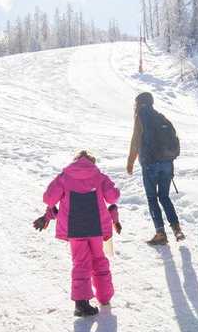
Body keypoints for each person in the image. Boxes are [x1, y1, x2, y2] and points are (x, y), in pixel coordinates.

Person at [35, 151, 122, 316]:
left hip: (75, 228)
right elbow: (113, 197)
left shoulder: (64, 176)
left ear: (75, 161)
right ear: (92, 161)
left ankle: (81, 304)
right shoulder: (99, 176)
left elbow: (49, 199)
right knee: (99, 259)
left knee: (81, 262)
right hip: (95, 227)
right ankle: (104, 297)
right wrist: (114, 187)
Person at [126, 91, 183, 245]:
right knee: (164, 197)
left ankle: (160, 233)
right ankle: (177, 229)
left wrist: (130, 162)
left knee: (152, 198)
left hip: (150, 164)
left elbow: (135, 141)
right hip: (167, 164)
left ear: (139, 103)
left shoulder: (141, 117)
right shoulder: (161, 116)